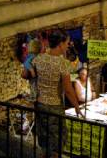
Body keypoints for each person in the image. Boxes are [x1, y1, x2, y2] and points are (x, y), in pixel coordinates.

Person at [32, 30, 82, 158]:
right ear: (60, 44)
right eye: (66, 43)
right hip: (54, 107)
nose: (68, 46)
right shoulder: (62, 64)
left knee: (44, 140)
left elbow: (29, 74)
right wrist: (76, 106)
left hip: (40, 104)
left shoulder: (39, 58)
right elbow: (68, 89)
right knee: (56, 143)